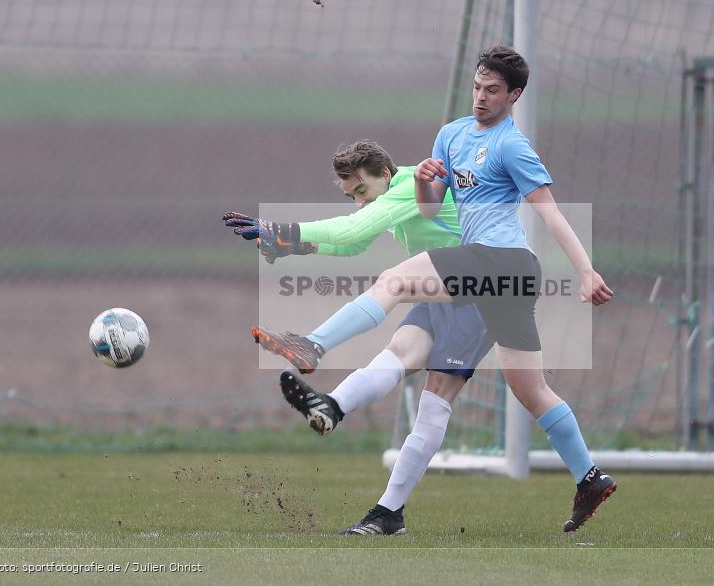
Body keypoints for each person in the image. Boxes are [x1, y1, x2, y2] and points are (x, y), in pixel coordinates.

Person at [251, 45, 617, 533]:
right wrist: (426, 180)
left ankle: (312, 344)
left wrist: (586, 270)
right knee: (530, 389)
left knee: (395, 281)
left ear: (515, 95)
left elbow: (549, 212)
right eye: (478, 87)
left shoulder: (512, 145)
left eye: (493, 91)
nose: (482, 98)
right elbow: (429, 210)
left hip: (503, 262)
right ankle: (589, 477)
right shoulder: (452, 135)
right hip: (497, 277)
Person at [222, 140, 494, 535]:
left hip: (477, 294)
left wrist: (282, 230)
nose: (359, 202)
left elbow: (355, 228)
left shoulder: (406, 187)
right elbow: (354, 243)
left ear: (384, 174)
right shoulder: (393, 195)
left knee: (435, 400)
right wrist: (291, 244)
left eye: (361, 191)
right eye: (351, 196)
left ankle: (389, 509)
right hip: (443, 292)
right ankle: (333, 409)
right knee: (397, 354)